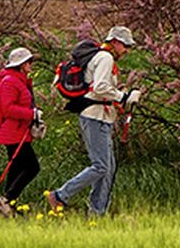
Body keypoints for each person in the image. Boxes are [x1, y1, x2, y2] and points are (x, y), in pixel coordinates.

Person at [46, 26, 142, 217]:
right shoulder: (105, 57)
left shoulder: (102, 57)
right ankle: (60, 196)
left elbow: (98, 89)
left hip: (101, 115)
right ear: (115, 42)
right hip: (94, 116)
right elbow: (100, 87)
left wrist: (116, 102)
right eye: (125, 46)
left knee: (108, 167)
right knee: (101, 166)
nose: (127, 51)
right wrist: (124, 96)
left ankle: (97, 212)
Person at [0, 46, 43, 216]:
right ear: (21, 64)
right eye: (29, 61)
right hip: (13, 132)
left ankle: (9, 205)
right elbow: (8, 109)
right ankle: (6, 200)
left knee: (16, 168)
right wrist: (31, 113)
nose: (31, 64)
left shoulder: (19, 80)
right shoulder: (10, 82)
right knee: (32, 167)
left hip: (20, 131)